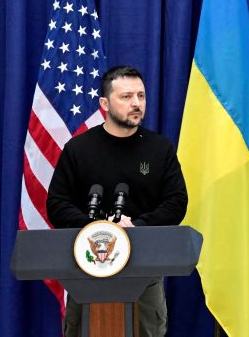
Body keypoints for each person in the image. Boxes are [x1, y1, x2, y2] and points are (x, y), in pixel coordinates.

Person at [47, 65, 188, 337]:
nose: (136, 103)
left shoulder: (160, 149)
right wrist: (97, 228)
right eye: (126, 97)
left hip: (144, 271)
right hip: (87, 268)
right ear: (104, 103)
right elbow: (57, 204)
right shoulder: (78, 149)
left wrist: (138, 225)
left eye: (141, 96)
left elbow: (176, 202)